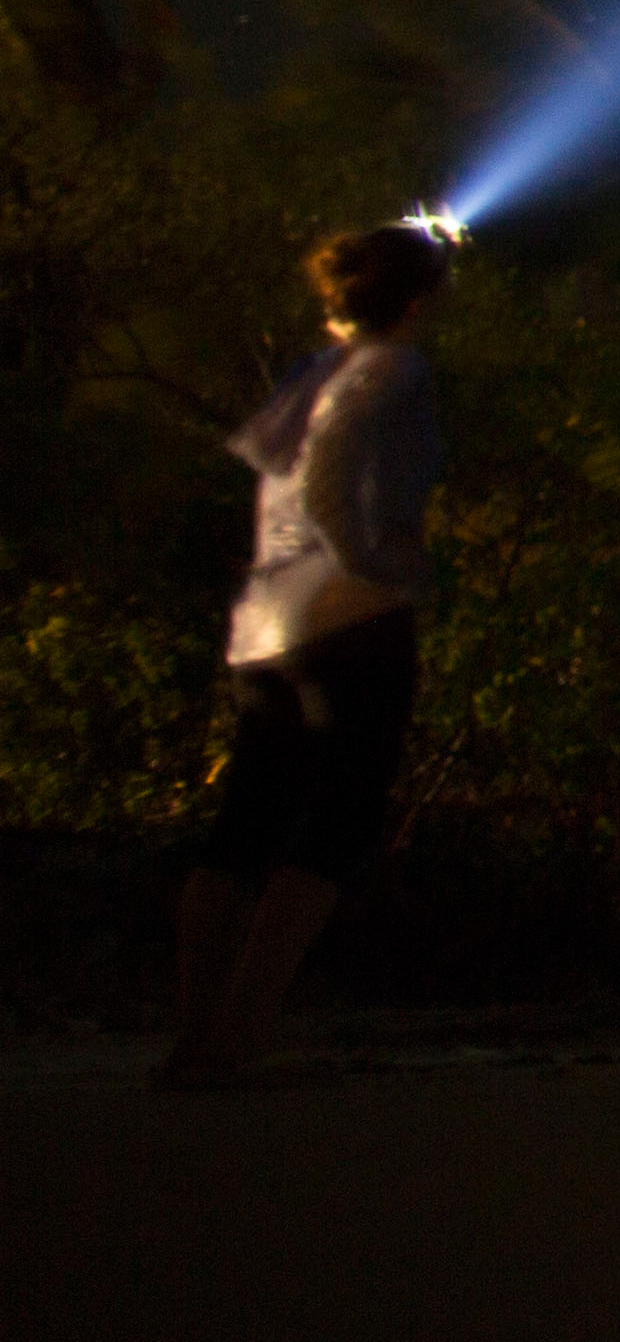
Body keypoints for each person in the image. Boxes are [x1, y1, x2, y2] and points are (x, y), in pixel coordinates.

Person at [159, 220, 455, 1087]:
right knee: (334, 826)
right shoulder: (395, 369)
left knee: (245, 823)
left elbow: (279, 476)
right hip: (350, 622)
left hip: (267, 626)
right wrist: (377, 563)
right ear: (415, 302)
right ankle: (239, 1035)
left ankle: (195, 1034)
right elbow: (333, 471)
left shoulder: (309, 373)